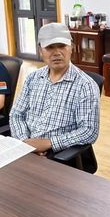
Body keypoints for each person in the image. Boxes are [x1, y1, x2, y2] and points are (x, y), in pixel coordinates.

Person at [9, 22, 99, 169]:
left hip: (57, 156)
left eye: (62, 46)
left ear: (72, 47)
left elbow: (89, 131)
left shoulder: (85, 85)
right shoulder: (33, 78)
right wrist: (25, 142)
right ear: (40, 50)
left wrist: (49, 143)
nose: (57, 53)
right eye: (50, 47)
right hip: (25, 149)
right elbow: (16, 114)